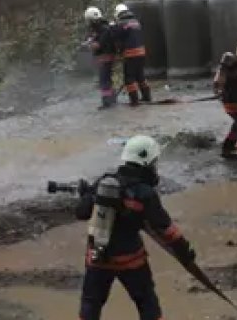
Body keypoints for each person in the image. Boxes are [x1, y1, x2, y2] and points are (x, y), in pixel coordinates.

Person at [75, 134, 196, 320]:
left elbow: (81, 213)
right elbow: (165, 229)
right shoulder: (144, 193)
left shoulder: (104, 183)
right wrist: (184, 252)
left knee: (91, 304)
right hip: (131, 259)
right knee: (146, 302)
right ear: (147, 163)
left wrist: (87, 195)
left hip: (97, 257)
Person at [112, 4, 151, 105]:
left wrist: (112, 27)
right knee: (140, 76)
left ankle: (134, 100)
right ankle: (147, 96)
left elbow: (116, 37)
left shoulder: (121, 24)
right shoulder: (136, 22)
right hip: (141, 52)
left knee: (129, 78)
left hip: (131, 54)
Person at [83, 6, 117, 109]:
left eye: (89, 21)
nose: (88, 23)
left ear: (91, 20)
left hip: (105, 57)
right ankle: (112, 100)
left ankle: (107, 102)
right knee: (107, 79)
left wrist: (90, 44)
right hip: (106, 56)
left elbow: (98, 45)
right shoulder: (102, 27)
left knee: (104, 80)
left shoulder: (103, 29)